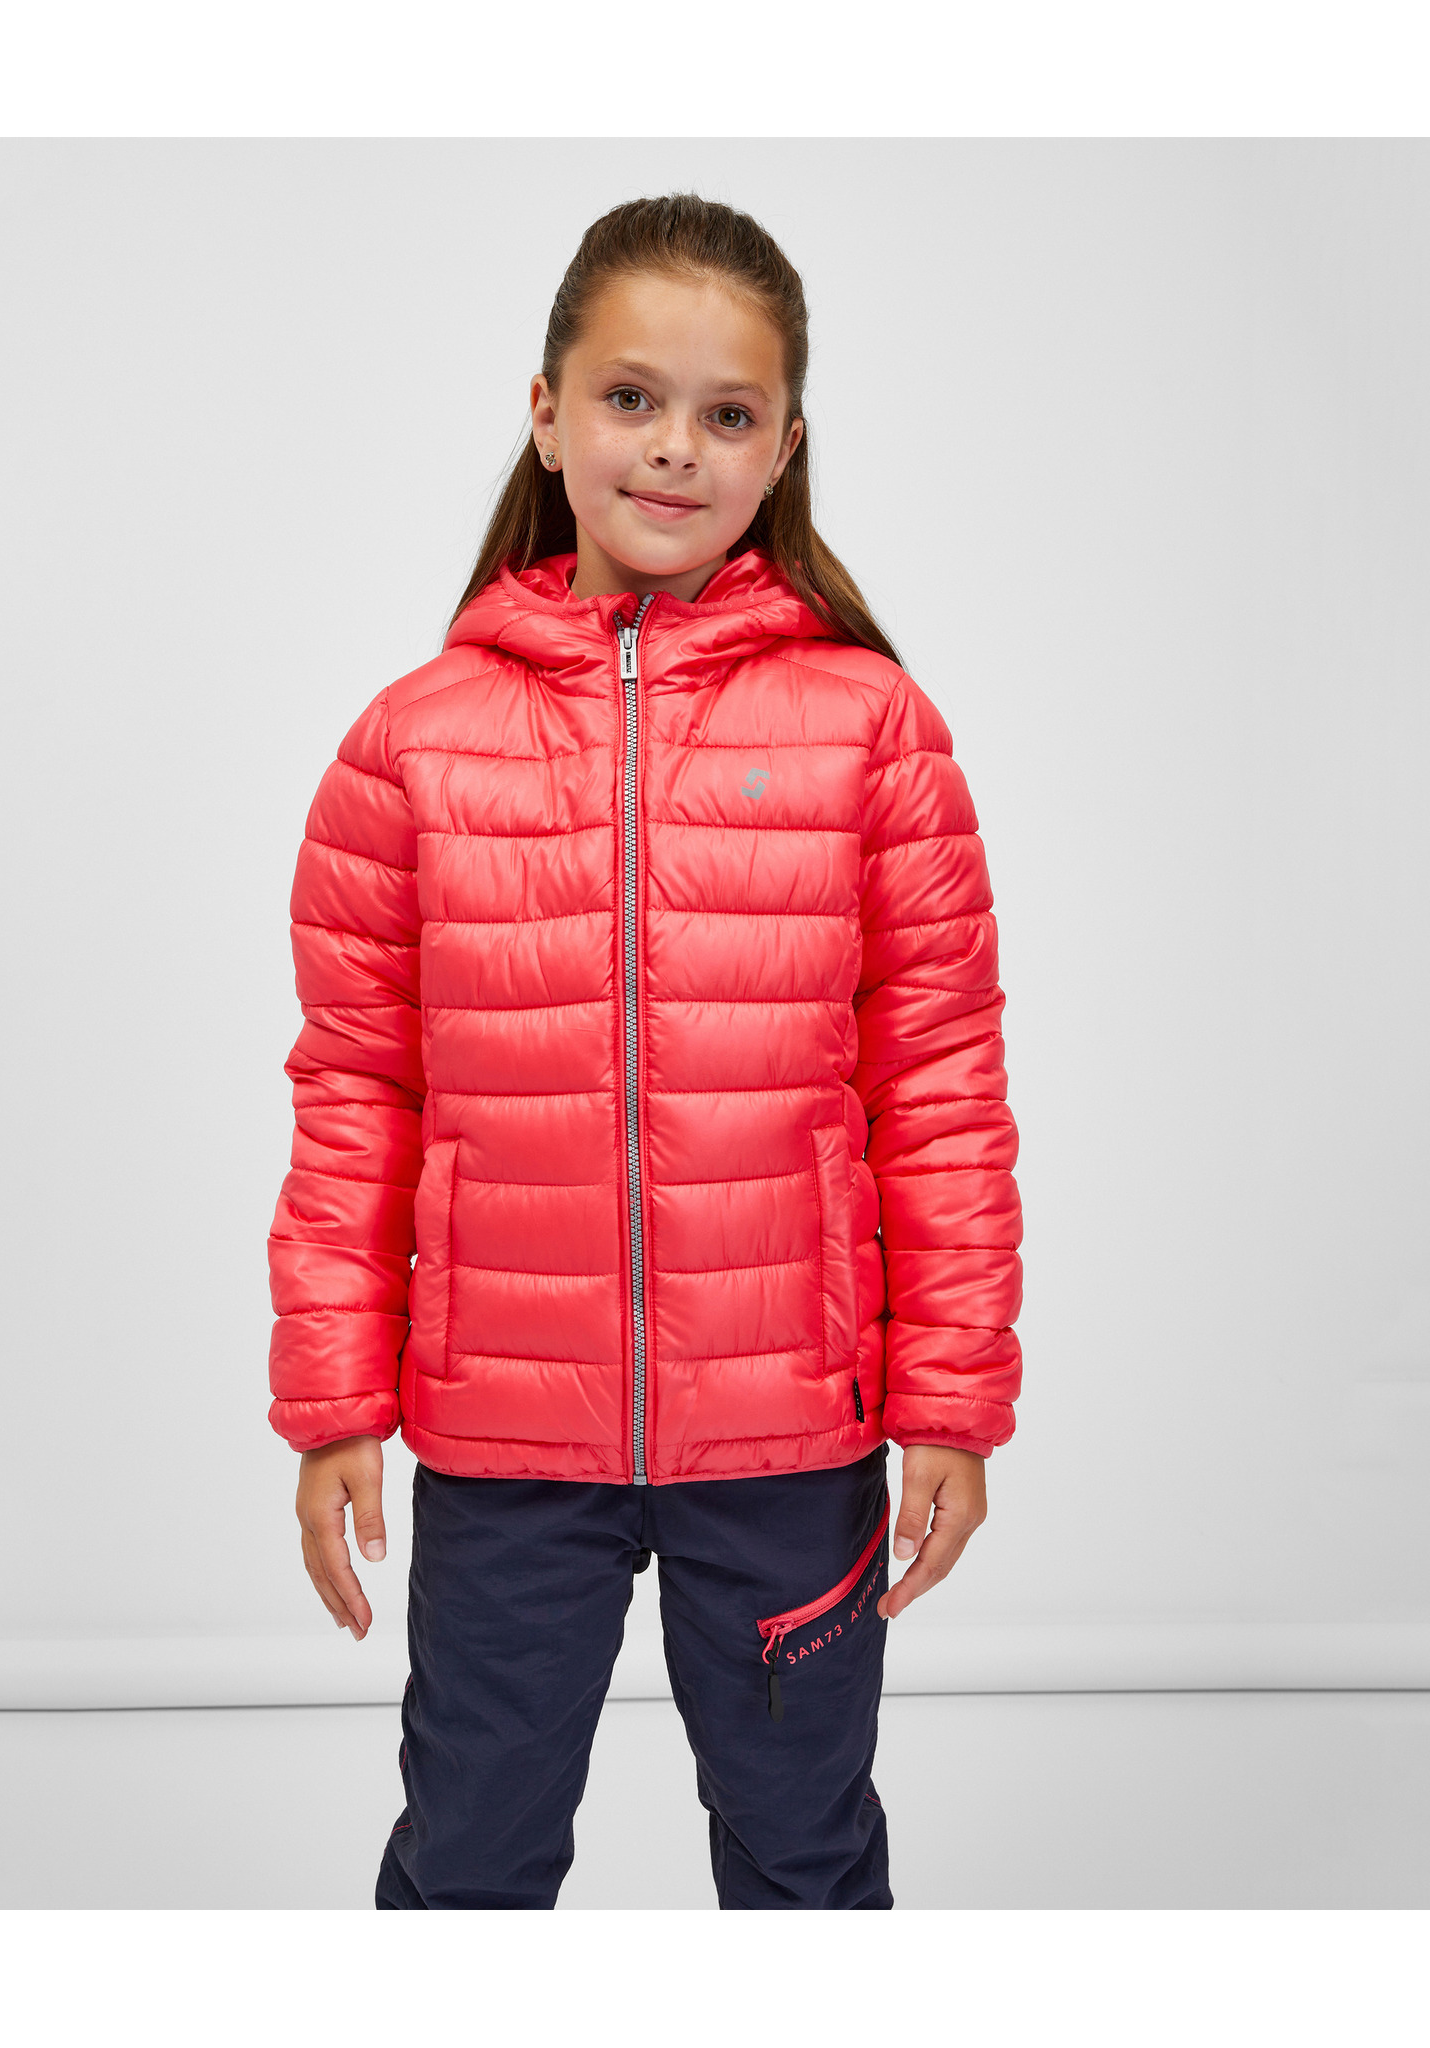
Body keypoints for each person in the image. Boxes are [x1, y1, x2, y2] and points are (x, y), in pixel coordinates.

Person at [266, 192, 1024, 1910]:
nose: (676, 446)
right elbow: (357, 1090)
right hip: (502, 1444)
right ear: (546, 415)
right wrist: (333, 1400)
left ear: (784, 449)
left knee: (803, 1856)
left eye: (727, 413)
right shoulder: (412, 747)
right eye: (631, 398)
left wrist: (952, 1401)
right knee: (469, 1857)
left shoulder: (871, 732)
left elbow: (941, 1086)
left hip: (790, 1437)